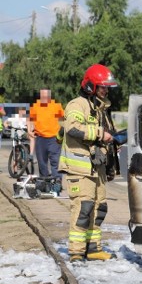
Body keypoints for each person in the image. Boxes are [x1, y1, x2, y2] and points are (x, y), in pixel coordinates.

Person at [58, 64, 118, 262]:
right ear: (91, 86)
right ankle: (76, 252)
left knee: (99, 209)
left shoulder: (100, 108)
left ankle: (93, 249)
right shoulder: (77, 105)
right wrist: (101, 134)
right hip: (80, 169)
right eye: (102, 87)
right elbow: (72, 128)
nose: (106, 90)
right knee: (83, 209)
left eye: (107, 87)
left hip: (97, 168)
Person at [29, 89, 64, 178]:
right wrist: (29, 130)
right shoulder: (35, 106)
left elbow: (63, 118)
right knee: (42, 163)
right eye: (42, 96)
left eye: (46, 96)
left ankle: (57, 182)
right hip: (40, 138)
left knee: (55, 161)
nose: (44, 98)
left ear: (49, 96)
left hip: (54, 139)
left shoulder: (56, 106)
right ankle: (44, 182)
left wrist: (62, 132)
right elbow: (30, 120)